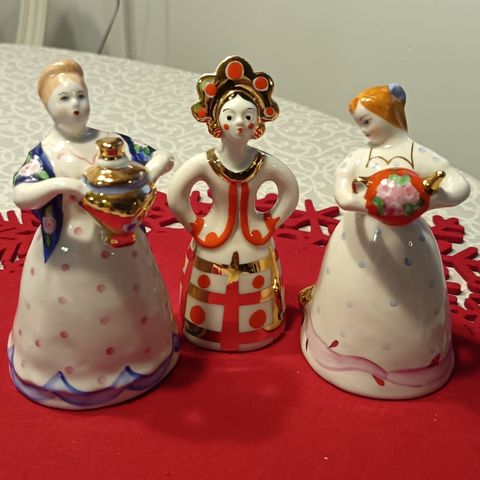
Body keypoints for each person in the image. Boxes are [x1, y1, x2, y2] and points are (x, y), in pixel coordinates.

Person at [8, 60, 178, 409]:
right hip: (69, 253)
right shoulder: (45, 154)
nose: (75, 105)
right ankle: (63, 373)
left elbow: (163, 156)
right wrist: (64, 185)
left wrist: (147, 175)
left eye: (80, 95)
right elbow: (21, 194)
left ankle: (141, 359)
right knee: (69, 313)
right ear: (47, 105)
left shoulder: (112, 143)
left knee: (130, 303)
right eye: (64, 97)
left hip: (122, 246)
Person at [301, 84, 470, 399]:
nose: (363, 130)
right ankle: (339, 353)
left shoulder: (417, 154)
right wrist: (371, 205)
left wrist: (423, 201)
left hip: (408, 243)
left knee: (407, 298)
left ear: (387, 114)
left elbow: (459, 185)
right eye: (359, 123)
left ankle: (409, 363)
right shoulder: (358, 156)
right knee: (350, 290)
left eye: (367, 121)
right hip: (359, 236)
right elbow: (342, 195)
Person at [168, 56, 299, 352]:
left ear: (258, 122)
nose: (240, 123)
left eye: (248, 116)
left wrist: (270, 223)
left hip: (255, 238)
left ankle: (258, 331)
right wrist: (196, 227)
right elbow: (176, 195)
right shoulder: (205, 163)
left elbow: (290, 191)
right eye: (230, 116)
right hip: (212, 240)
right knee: (208, 290)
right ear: (216, 121)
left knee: (255, 291)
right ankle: (205, 330)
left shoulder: (263, 163)